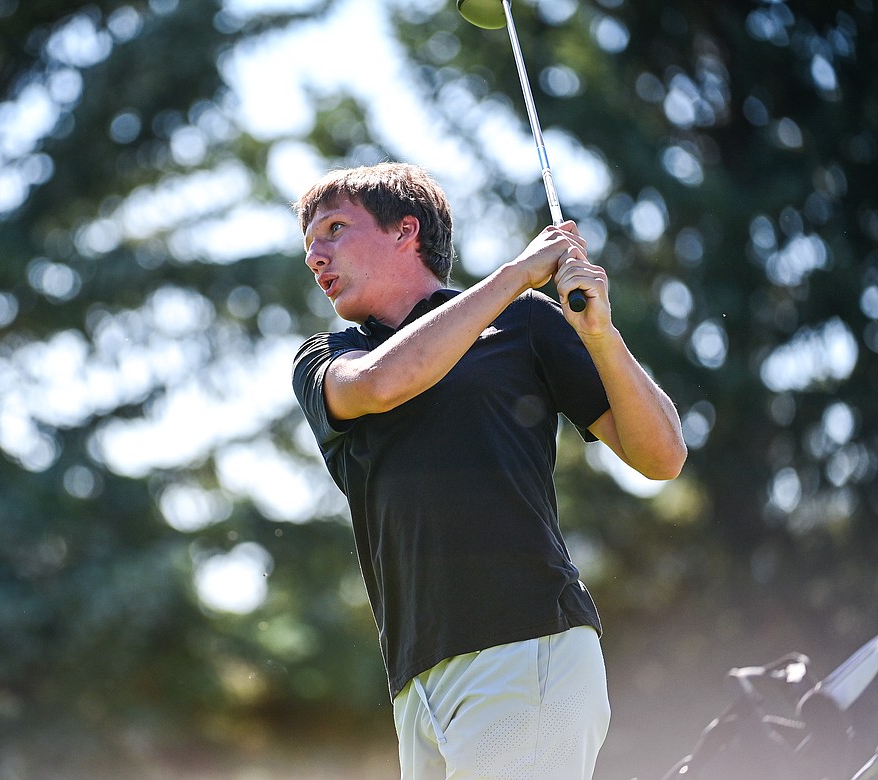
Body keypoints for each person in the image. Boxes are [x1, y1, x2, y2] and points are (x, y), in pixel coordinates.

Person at [290, 162, 687, 780]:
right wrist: (515, 275)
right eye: (309, 243)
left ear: (405, 231)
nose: (316, 256)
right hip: (416, 682)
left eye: (335, 228)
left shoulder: (524, 322)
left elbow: (661, 457)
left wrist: (602, 336)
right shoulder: (331, 357)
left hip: (526, 645)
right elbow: (385, 382)